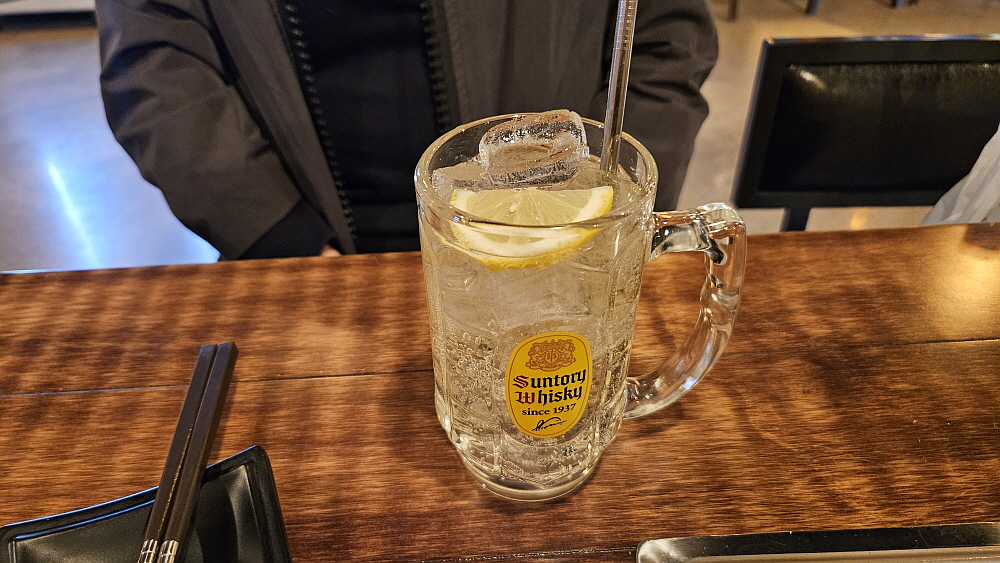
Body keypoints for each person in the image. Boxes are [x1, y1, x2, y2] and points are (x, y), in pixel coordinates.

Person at [95, 0, 718, 260]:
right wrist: (278, 237)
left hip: (551, 241)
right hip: (305, 247)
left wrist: (610, 214)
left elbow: (666, 40)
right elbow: (154, 59)